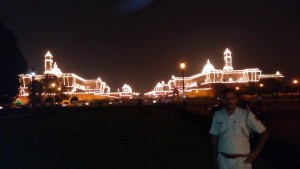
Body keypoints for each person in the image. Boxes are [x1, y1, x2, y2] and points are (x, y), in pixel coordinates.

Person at [209, 88, 269, 169]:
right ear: (222, 100)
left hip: (242, 162)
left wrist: (255, 153)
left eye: (232, 98)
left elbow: (264, 133)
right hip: (223, 160)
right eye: (226, 98)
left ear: (236, 100)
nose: (229, 101)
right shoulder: (218, 115)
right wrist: (215, 157)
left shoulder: (246, 115)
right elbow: (214, 137)